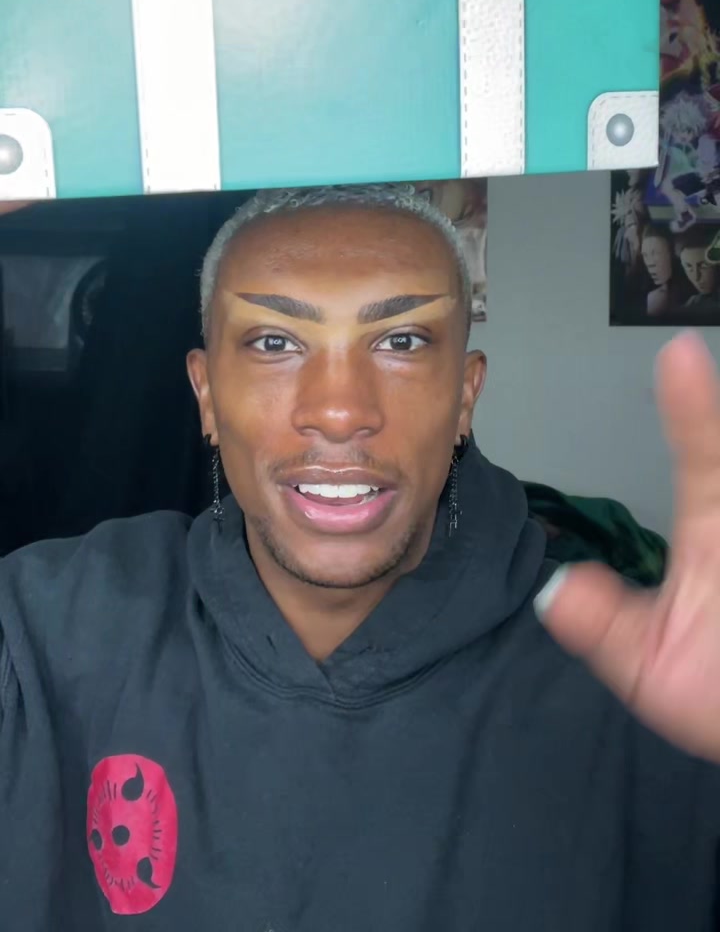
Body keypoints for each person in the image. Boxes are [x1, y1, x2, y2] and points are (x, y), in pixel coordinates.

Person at [2, 182, 720, 931]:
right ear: (206, 395)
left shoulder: (636, 691)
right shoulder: (53, 628)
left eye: (401, 342)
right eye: (274, 342)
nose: (340, 411)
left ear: (464, 396)